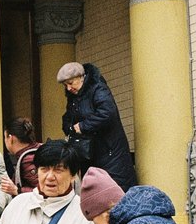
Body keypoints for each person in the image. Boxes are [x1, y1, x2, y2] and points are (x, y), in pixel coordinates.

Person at [58, 62, 137, 191]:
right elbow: (68, 117)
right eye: (65, 85)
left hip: (110, 152)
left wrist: (83, 126)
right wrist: (70, 128)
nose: (68, 88)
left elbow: (107, 113)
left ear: (81, 77)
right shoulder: (73, 97)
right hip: (90, 153)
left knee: (115, 190)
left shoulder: (98, 88)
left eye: (71, 83)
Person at [0, 117, 41, 196]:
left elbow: (45, 192)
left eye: (5, 137)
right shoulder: (38, 149)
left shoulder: (28, 160)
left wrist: (17, 190)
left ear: (11, 138)